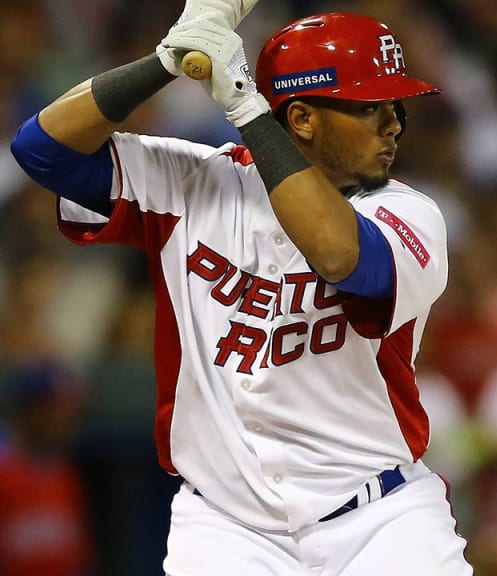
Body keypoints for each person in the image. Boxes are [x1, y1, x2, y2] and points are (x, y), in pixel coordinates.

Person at [10, 2, 473, 574]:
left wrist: (247, 107)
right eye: (370, 106)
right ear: (302, 119)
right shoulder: (190, 180)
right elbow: (41, 149)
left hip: (380, 521)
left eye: (395, 105)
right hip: (225, 528)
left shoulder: (409, 212)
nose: (395, 122)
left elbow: (338, 255)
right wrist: (166, 60)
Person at [0, 360, 94, 576]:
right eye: (53, 410)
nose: (64, 420)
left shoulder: (65, 474)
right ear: (28, 411)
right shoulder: (5, 471)